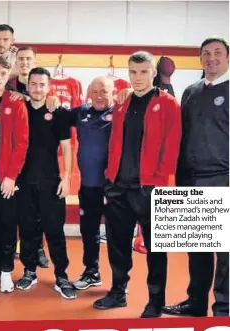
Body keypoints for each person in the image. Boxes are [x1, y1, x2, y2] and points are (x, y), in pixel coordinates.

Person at [93, 51, 181, 318]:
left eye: (143, 72)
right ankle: (118, 292)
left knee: (155, 248)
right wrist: (110, 176)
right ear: (128, 74)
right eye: (133, 72)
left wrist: (160, 185)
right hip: (119, 186)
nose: (138, 77)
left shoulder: (168, 104)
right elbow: (114, 141)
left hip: (149, 188)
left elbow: (173, 145)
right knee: (118, 245)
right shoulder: (121, 102)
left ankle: (155, 301)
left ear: (153, 73)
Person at [163, 37, 229, 318]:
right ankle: (196, 303)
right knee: (197, 248)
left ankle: (224, 308)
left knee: (225, 252)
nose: (211, 58)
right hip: (190, 179)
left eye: (217, 53)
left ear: (227, 58)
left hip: (222, 178)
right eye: (206, 53)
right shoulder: (190, 91)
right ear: (200, 59)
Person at [14, 67, 75, 299]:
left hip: (50, 181)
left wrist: (66, 177)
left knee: (54, 231)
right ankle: (29, 271)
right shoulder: (19, 108)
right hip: (23, 181)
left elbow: (67, 146)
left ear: (48, 87)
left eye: (42, 85)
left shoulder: (57, 111)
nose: (37, 89)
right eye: (33, 84)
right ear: (27, 85)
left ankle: (61, 276)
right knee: (28, 231)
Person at [63, 76, 114, 291]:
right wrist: (53, 104)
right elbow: (54, 119)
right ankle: (92, 272)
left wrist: (129, 93)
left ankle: (120, 282)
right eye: (94, 91)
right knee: (89, 231)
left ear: (113, 93)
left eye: (104, 91)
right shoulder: (81, 112)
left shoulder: (122, 113)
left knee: (116, 234)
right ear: (88, 94)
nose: (99, 96)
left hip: (115, 187)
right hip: (89, 186)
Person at [0, 56, 28, 293]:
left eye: (3, 73)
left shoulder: (15, 101)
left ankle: (7, 271)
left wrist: (11, 176)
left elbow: (21, 142)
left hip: (6, 176)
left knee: (8, 223)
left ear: (8, 74)